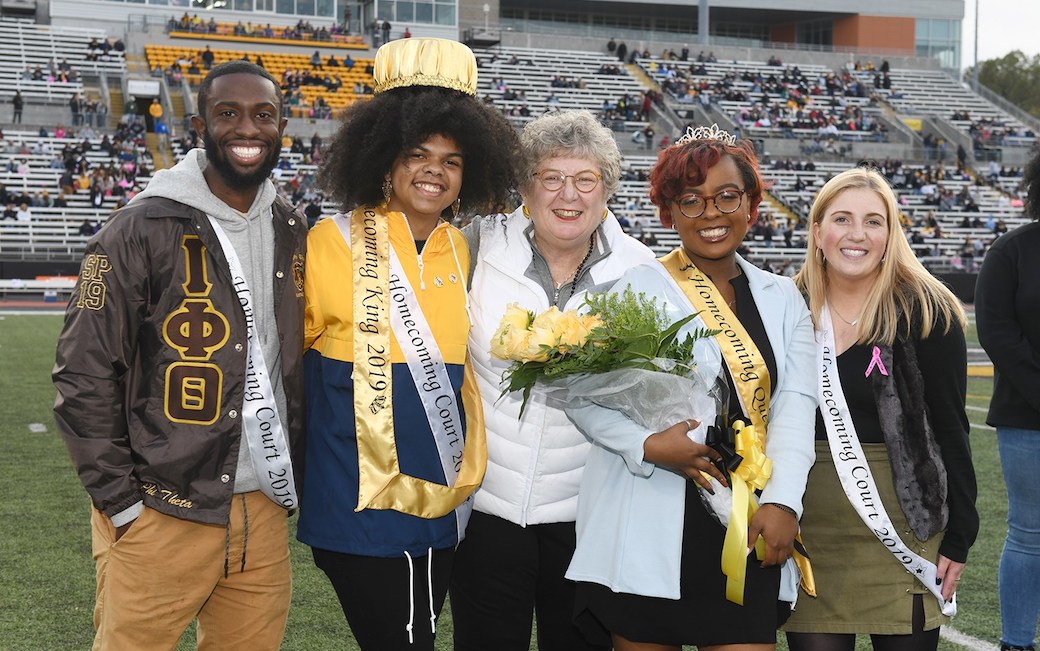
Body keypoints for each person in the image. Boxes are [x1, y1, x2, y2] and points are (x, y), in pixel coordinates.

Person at [52, 60, 307, 650]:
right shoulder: (138, 227)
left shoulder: (293, 227)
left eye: (263, 114)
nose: (248, 128)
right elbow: (83, 373)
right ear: (199, 125)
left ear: (283, 126)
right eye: (228, 114)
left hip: (261, 510)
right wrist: (121, 503)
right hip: (164, 506)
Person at [298, 38, 519, 650]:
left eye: (451, 161)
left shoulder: (470, 251)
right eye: (417, 154)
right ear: (383, 161)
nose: (434, 171)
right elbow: (294, 364)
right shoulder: (328, 241)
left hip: (444, 502)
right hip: (355, 499)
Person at [563, 123, 818, 650]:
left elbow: (796, 408)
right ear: (669, 212)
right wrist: (647, 445)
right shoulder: (631, 288)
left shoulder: (783, 298)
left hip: (745, 516)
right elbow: (578, 391)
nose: (711, 214)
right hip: (646, 511)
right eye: (691, 200)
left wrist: (785, 503)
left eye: (727, 196)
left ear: (751, 206)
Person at [452, 110, 655, 651]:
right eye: (551, 177)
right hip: (486, 507)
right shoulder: (475, 245)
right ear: (525, 187)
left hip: (588, 514)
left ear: (607, 190)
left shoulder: (643, 270)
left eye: (585, 179)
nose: (569, 194)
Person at [785, 167, 978, 651]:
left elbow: (953, 430)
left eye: (874, 221)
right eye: (842, 219)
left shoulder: (928, 310)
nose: (857, 235)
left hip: (906, 521)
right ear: (817, 230)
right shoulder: (785, 306)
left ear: (891, 234)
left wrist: (960, 537)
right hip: (810, 522)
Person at [976, 148, 1040, 651]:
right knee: (1028, 533)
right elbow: (997, 331)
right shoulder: (1012, 250)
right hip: (1028, 419)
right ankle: (1015, 642)